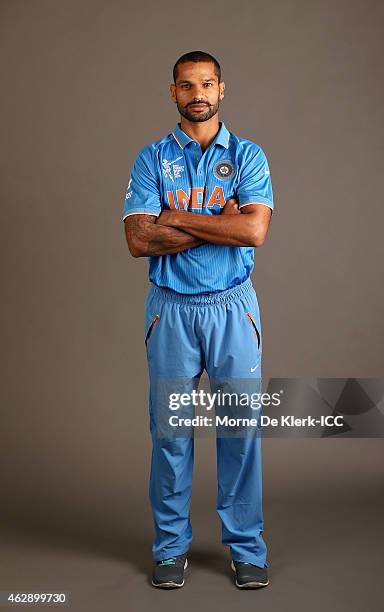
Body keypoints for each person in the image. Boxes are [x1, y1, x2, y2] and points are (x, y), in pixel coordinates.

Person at [122, 51, 274, 589]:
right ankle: (169, 548)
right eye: (186, 85)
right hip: (171, 309)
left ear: (222, 88)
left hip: (232, 307)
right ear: (173, 93)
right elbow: (139, 240)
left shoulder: (249, 155)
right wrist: (220, 220)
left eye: (207, 83)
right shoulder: (152, 159)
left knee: (240, 431)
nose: (198, 93)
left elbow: (254, 233)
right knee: (171, 434)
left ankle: (247, 547)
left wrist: (179, 217)